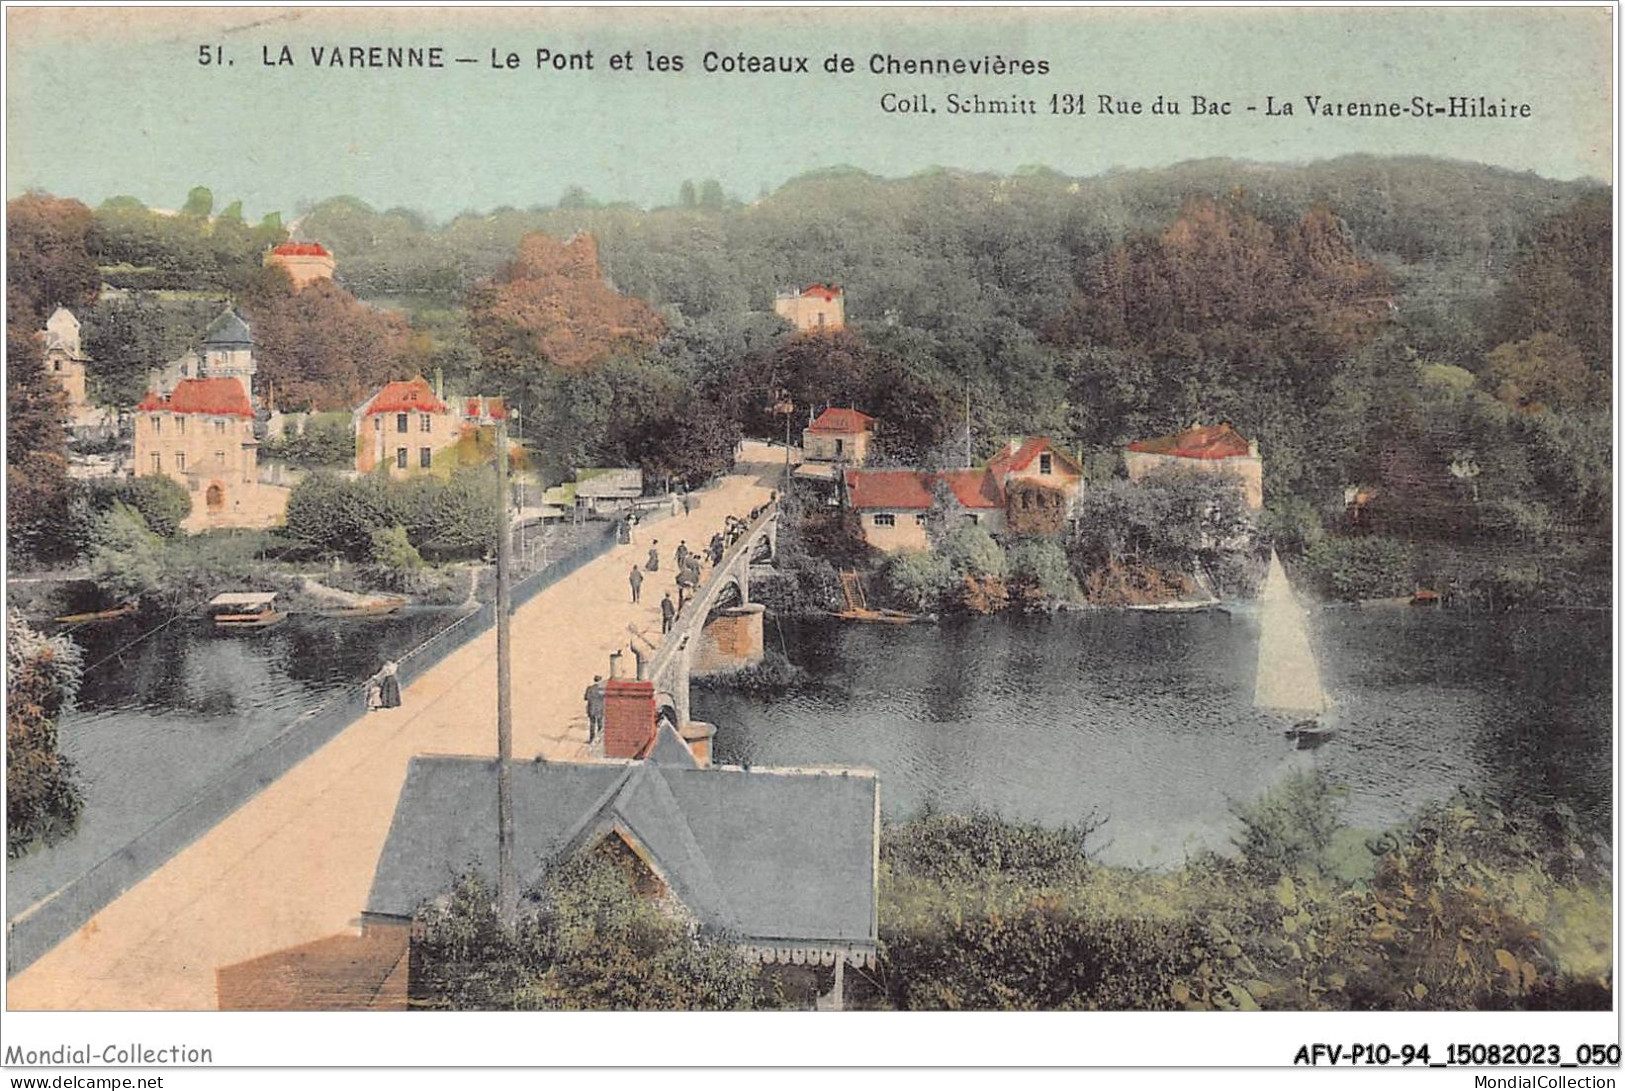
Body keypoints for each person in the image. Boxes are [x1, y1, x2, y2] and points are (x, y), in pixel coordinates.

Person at [583, 675, 606, 743]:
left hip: (591, 708)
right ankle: (600, 740)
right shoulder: (602, 690)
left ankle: (591, 739)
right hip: (600, 709)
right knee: (600, 724)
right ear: (600, 681)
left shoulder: (589, 688)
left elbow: (585, 698)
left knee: (592, 724)